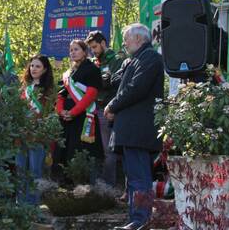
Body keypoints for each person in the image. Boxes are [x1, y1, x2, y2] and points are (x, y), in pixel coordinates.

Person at [104, 23, 163, 230]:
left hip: (139, 129)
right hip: (130, 130)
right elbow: (115, 81)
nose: (125, 43)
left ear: (138, 39)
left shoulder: (151, 58)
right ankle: (135, 219)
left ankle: (141, 220)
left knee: (139, 177)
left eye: (126, 39)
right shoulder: (134, 60)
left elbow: (137, 87)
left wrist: (113, 104)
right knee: (133, 178)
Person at [53, 39, 104, 182]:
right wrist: (60, 111)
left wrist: (73, 112)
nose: (73, 52)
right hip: (66, 119)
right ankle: (66, 183)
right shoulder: (68, 73)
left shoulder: (92, 69)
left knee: (81, 150)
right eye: (71, 50)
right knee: (65, 150)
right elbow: (60, 94)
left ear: (85, 52)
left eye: (76, 49)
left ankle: (84, 186)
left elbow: (91, 95)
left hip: (82, 117)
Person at [86, 30, 125, 186]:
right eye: (91, 48)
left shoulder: (116, 60)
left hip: (108, 108)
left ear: (103, 43)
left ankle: (109, 186)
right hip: (93, 109)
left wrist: (101, 82)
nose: (93, 51)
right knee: (97, 149)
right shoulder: (95, 62)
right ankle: (98, 183)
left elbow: (117, 84)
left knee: (110, 150)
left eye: (95, 47)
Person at [16, 55, 55, 205]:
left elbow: (50, 112)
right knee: (20, 171)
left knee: (34, 171)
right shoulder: (24, 88)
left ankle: (33, 206)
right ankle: (21, 205)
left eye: (38, 66)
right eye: (32, 66)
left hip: (38, 135)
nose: (33, 69)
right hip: (21, 135)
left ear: (45, 69)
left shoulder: (49, 90)